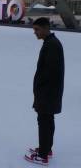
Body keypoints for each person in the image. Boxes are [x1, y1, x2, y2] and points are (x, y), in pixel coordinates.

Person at [24, 17, 65, 166]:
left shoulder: (52, 45)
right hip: (49, 92)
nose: (35, 33)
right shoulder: (50, 43)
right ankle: (46, 149)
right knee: (47, 120)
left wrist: (40, 89)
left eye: (37, 29)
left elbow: (51, 72)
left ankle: (42, 155)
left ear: (46, 28)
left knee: (44, 121)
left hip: (48, 92)